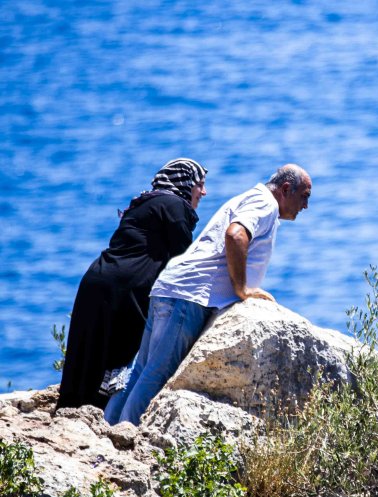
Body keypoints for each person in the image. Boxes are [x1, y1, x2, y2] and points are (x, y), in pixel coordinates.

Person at [105, 164, 312, 425]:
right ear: (285, 189)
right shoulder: (265, 204)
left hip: (172, 288)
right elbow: (236, 235)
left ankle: (107, 432)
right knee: (155, 376)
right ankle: (124, 441)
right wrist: (242, 289)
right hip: (190, 297)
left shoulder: (254, 198)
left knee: (139, 373)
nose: (305, 206)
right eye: (304, 196)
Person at [57, 158, 208, 410]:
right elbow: (185, 263)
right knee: (122, 358)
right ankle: (104, 418)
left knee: (88, 354)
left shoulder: (147, 201)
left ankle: (72, 412)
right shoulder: (175, 206)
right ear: (184, 183)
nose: (204, 192)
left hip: (98, 280)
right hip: (124, 290)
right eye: (199, 184)